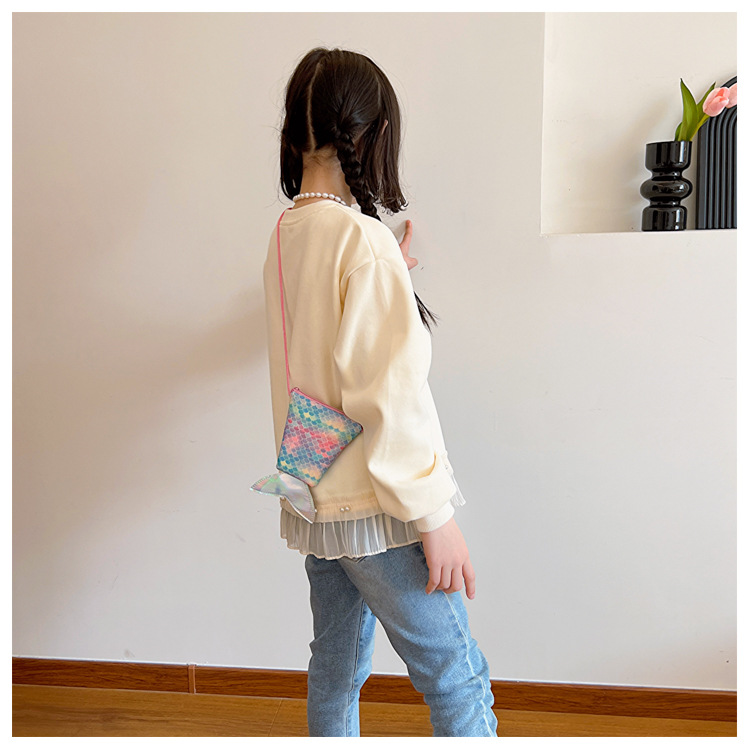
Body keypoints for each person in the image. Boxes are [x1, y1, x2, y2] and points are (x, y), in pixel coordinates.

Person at [260, 46, 498, 738]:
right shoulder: (361, 243)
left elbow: (320, 344)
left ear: (295, 131)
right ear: (375, 133)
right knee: (456, 678)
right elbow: (388, 395)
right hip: (378, 504)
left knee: (336, 666)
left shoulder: (287, 233)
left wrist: (388, 268)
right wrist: (434, 516)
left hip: (314, 493)